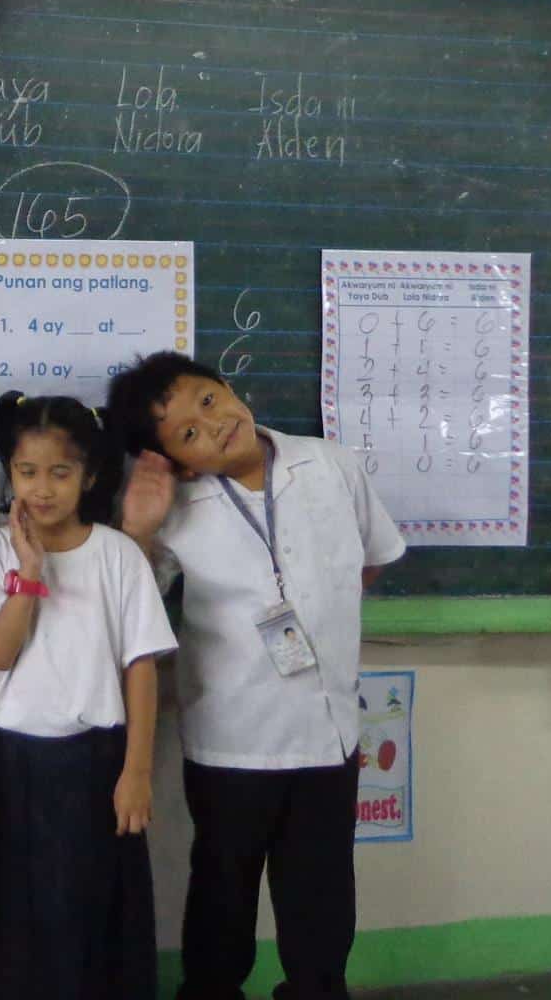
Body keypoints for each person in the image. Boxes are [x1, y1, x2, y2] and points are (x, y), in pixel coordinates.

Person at [110, 354, 405, 1000]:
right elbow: (128, 604)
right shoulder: (174, 508)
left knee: (321, 908)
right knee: (222, 900)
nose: (211, 426)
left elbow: (370, 561)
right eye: (186, 432)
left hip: (328, 737)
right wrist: (137, 528)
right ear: (178, 461)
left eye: (208, 402)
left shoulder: (330, 465)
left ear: (229, 388)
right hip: (229, 743)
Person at [0, 393, 175, 1000]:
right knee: (17, 920)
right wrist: (28, 575)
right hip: (12, 765)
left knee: (95, 919)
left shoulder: (117, 556)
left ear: (89, 476)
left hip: (97, 765)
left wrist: (136, 770)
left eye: (60, 472)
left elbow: (141, 668)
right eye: (27, 472)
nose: (42, 488)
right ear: (10, 474)